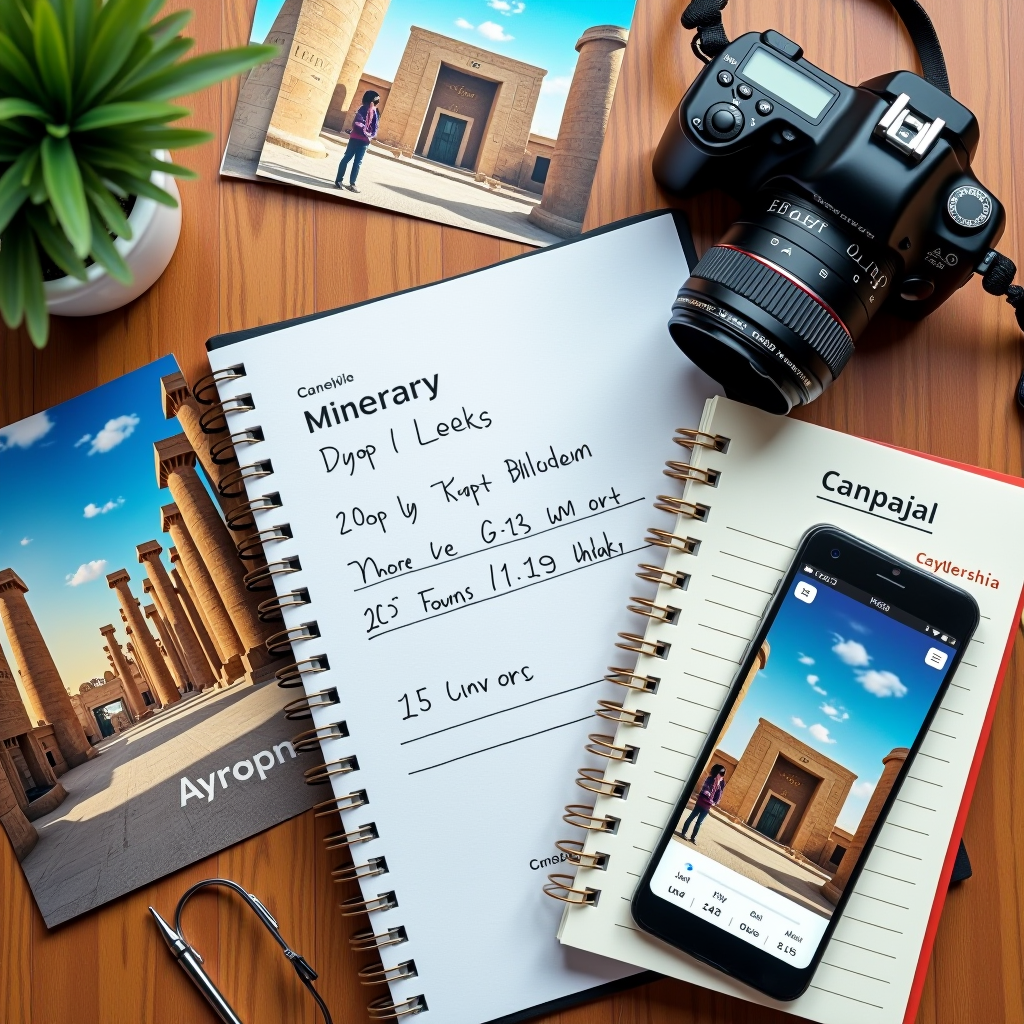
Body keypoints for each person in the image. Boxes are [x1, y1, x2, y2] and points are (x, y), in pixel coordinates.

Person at [335, 90, 380, 194]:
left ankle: (352, 183)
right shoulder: (363, 110)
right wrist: (367, 132)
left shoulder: (374, 112)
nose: (378, 102)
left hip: (364, 141)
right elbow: (357, 123)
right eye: (377, 99)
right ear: (372, 100)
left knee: (357, 162)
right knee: (347, 158)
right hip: (357, 138)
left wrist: (370, 134)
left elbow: (375, 127)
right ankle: (339, 180)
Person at [678, 764, 727, 843]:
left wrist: (714, 801)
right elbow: (705, 789)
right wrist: (709, 794)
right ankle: (683, 833)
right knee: (691, 817)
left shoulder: (721, 784)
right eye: (720, 773)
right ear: (716, 772)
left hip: (707, 806)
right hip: (700, 802)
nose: (721, 775)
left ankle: (693, 838)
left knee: (699, 822)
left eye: (722, 774)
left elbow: (718, 796)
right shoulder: (710, 779)